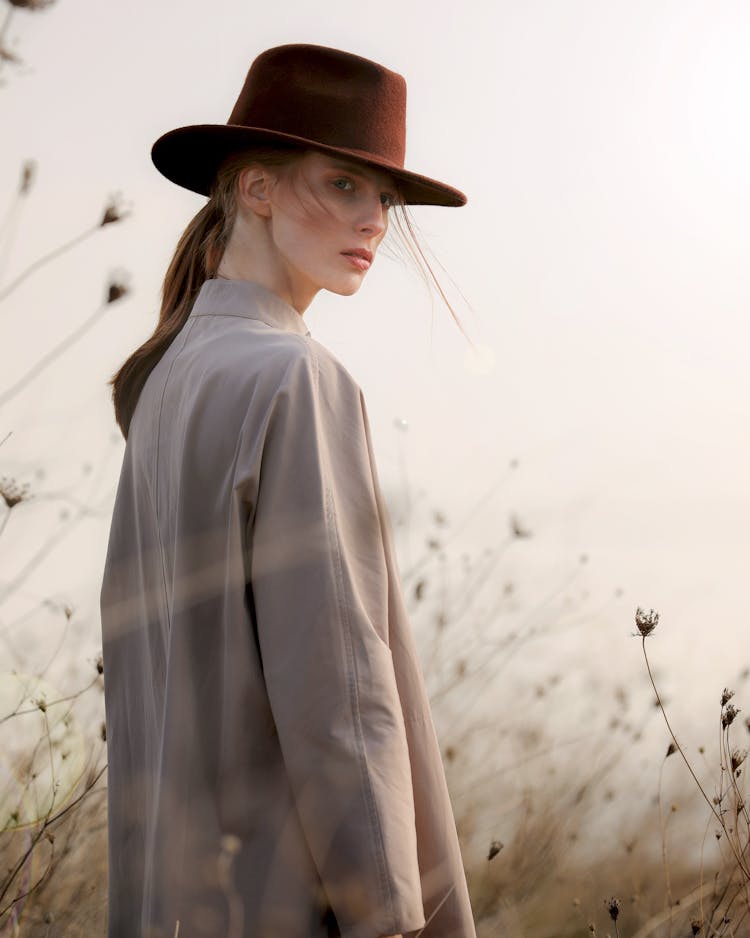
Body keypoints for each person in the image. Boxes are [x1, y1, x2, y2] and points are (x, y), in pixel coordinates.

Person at [100, 43, 477, 938]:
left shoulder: (168, 379)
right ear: (257, 188)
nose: (376, 218)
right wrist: (386, 912)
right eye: (345, 184)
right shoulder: (292, 377)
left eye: (384, 197)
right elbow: (341, 691)